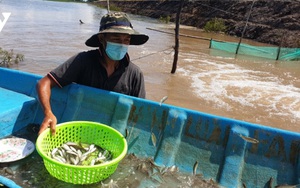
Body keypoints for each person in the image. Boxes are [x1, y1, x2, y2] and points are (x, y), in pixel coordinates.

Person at [36, 12, 149, 135]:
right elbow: (44, 83)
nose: (122, 44)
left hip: (113, 132)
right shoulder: (83, 61)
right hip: (80, 127)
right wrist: (48, 113)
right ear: (102, 39)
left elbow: (140, 112)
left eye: (126, 40)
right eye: (116, 39)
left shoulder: (135, 74)